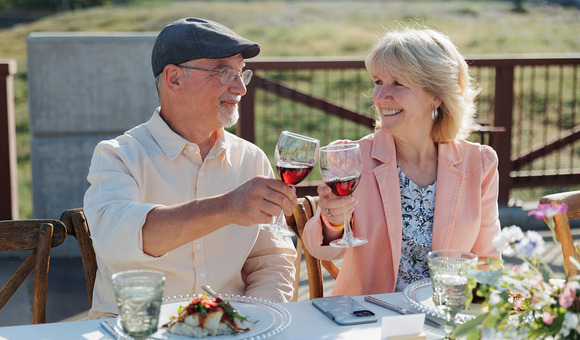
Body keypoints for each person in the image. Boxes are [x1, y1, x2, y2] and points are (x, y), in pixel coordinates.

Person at [84, 17, 297, 319]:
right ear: (173, 79)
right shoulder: (118, 156)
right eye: (224, 72)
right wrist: (226, 207)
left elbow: (272, 261)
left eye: (240, 73)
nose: (240, 88)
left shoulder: (252, 160)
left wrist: (252, 321)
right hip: (136, 332)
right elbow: (121, 242)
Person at [302, 27, 501, 296]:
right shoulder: (352, 157)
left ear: (436, 95)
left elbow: (487, 260)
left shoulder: (479, 163)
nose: (380, 96)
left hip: (447, 319)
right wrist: (333, 220)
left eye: (398, 83)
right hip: (370, 321)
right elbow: (319, 248)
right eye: (377, 82)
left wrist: (478, 326)